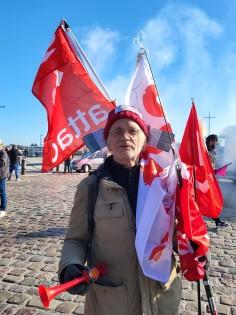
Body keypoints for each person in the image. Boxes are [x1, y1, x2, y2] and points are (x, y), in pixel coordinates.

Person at [58, 105, 181, 315]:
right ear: (107, 141)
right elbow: (75, 240)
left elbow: (177, 234)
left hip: (161, 297)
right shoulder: (90, 188)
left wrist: (194, 246)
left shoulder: (164, 184)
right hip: (112, 302)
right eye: (117, 131)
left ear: (144, 139)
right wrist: (70, 266)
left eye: (133, 130)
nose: (125, 136)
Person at [206, 134, 229, 228]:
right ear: (210, 141)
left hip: (211, 178)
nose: (216, 142)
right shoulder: (205, 151)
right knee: (209, 200)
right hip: (205, 179)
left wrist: (215, 170)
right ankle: (217, 221)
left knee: (210, 200)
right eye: (214, 140)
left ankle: (217, 221)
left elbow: (211, 165)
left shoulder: (211, 151)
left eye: (216, 141)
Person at [0, 144, 10, 217]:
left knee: (2, 192)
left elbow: (2, 163)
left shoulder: (3, 153)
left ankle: (3, 209)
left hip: (1, 175)